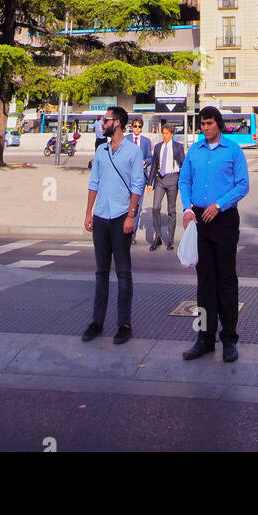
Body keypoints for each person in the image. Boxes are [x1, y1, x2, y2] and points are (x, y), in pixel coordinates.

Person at [179, 105, 250, 363]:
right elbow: (184, 180)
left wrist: (219, 204)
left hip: (224, 219)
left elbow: (243, 185)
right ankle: (204, 338)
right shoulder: (194, 151)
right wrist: (187, 208)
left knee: (226, 281)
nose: (205, 128)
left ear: (218, 124)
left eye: (209, 123)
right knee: (204, 282)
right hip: (199, 219)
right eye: (202, 124)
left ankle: (229, 338)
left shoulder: (232, 150)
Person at [82, 106, 145, 345]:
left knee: (123, 272)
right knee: (100, 272)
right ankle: (97, 322)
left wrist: (131, 216)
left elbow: (137, 185)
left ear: (116, 123)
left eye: (105, 120)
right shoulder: (101, 151)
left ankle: (124, 323)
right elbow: (94, 182)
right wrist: (88, 212)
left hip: (120, 216)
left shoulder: (132, 152)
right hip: (101, 216)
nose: (102, 123)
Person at [149, 122, 185, 249]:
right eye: (163, 133)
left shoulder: (177, 147)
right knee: (155, 208)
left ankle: (170, 239)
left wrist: (181, 181)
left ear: (172, 134)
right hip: (160, 179)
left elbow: (184, 164)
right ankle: (158, 236)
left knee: (171, 210)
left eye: (167, 133)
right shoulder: (158, 147)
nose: (164, 136)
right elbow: (154, 165)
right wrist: (150, 182)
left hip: (172, 179)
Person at [128, 116, 153, 240]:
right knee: (126, 204)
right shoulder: (126, 140)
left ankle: (132, 233)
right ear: (131, 127)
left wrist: (145, 162)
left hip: (140, 177)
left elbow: (150, 157)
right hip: (127, 177)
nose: (137, 129)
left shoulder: (146, 141)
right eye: (135, 126)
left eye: (139, 126)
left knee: (137, 205)